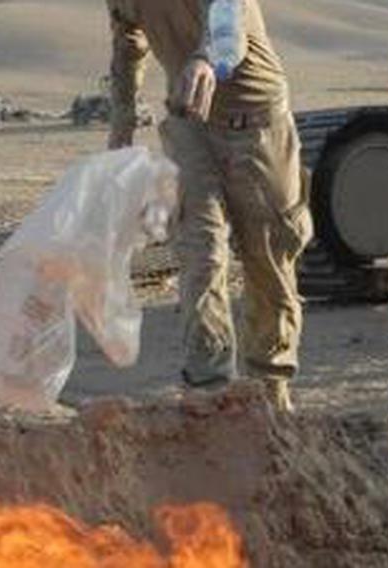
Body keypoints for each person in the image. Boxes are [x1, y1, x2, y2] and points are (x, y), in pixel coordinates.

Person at [106, 0, 313, 412]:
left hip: (256, 121)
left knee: (267, 258)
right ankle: (210, 389)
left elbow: (226, 25)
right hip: (190, 122)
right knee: (200, 253)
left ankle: (270, 387)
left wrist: (205, 59)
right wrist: (121, 128)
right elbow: (127, 45)